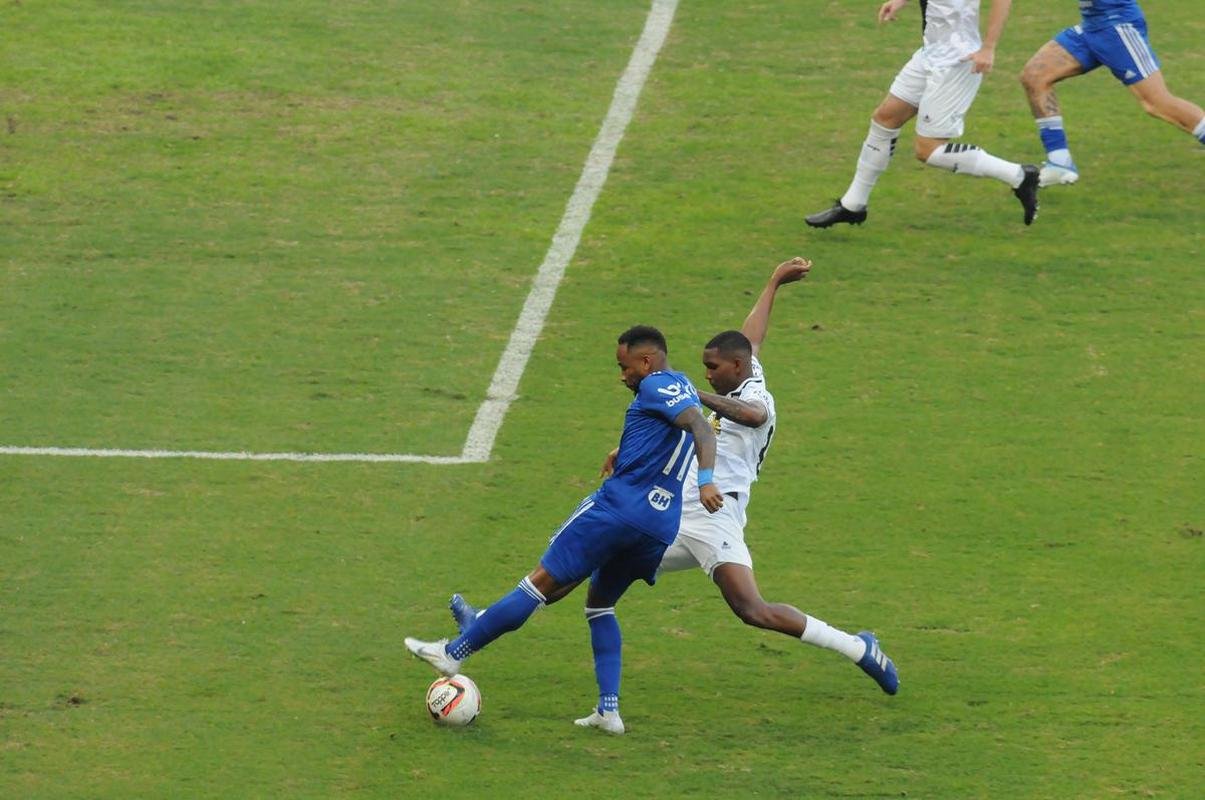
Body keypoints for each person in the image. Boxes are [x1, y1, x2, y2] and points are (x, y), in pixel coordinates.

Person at [452, 259, 900, 734]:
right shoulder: (744, 365)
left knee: (752, 609)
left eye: (713, 368)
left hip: (713, 514)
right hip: (667, 513)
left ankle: (857, 647)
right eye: (702, 369)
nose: (706, 374)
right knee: (590, 568)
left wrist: (689, 397)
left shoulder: (758, 399)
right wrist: (773, 283)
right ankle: (488, 626)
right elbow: (753, 337)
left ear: (736, 368)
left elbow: (747, 415)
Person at [405, 326, 723, 735]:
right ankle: (608, 711)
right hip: (658, 526)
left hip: (617, 510)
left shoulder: (655, 385)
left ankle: (454, 651)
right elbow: (672, 432)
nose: (621, 376)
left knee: (539, 582)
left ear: (646, 361)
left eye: (624, 367)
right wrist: (622, 451)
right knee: (599, 604)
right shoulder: (684, 386)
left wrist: (709, 480)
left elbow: (698, 427)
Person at [806, 0, 1040, 229]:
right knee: (885, 119)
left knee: (928, 150)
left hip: (958, 60)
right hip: (931, 52)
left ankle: (1019, 175)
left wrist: (988, 48)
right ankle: (853, 205)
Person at [1018, 0, 1205, 186]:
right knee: (1035, 76)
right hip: (1092, 26)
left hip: (1116, 25)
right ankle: (1060, 162)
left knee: (1156, 103)